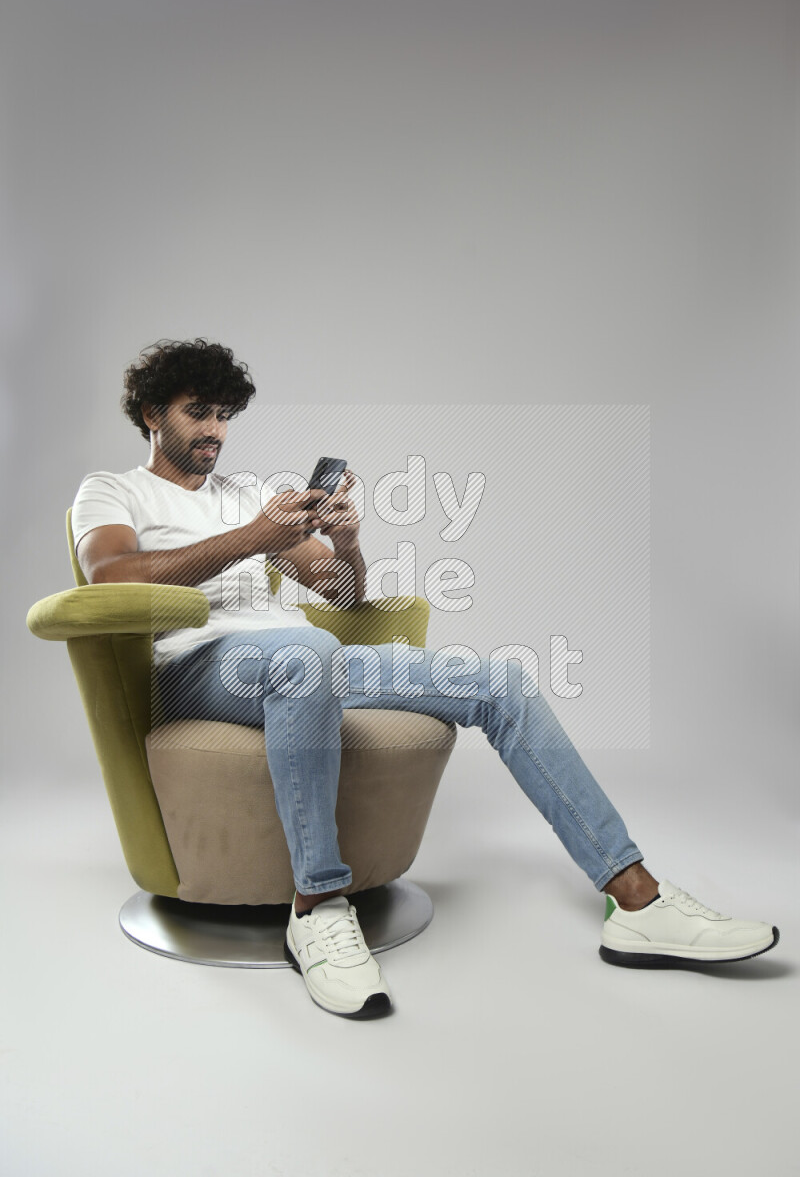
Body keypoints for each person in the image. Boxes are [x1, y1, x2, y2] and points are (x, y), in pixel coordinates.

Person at [71, 338, 779, 1020]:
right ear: (151, 415)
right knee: (305, 655)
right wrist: (253, 540)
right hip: (200, 667)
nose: (215, 432)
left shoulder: (248, 494)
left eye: (225, 415)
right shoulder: (112, 491)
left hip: (297, 655)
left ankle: (639, 902)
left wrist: (345, 538)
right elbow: (112, 578)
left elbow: (343, 596)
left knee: (499, 680)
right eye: (199, 413)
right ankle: (318, 908)